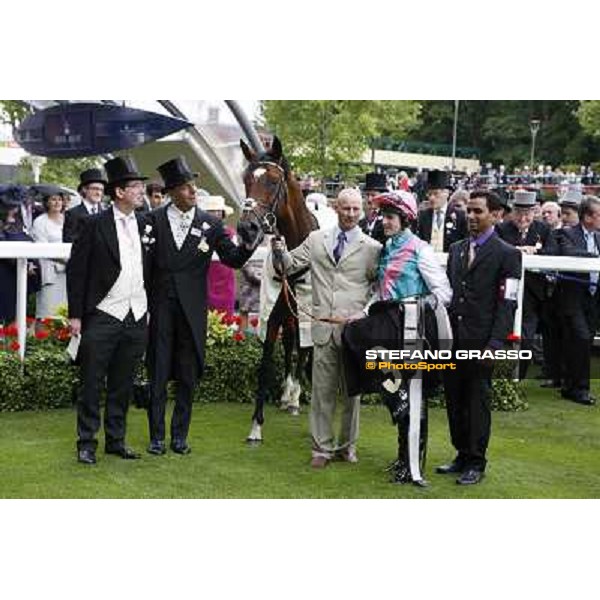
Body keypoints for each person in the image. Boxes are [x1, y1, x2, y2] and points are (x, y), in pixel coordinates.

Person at [145, 156, 262, 456]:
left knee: (187, 374)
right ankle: (156, 437)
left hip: (192, 311)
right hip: (160, 308)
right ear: (171, 192)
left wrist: (248, 243)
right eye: (185, 187)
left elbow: (233, 259)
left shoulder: (211, 225)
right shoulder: (152, 221)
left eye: (193, 186)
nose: (192, 191)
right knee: (157, 372)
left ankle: (179, 437)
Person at [342, 190, 452, 485]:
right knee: (353, 333)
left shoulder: (420, 249)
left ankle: (411, 465)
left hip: (411, 328)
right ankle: (396, 406)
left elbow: (443, 293)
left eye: (390, 217)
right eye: (383, 217)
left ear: (405, 220)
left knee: (414, 399)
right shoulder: (387, 248)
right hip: (386, 323)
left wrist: (412, 305)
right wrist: (363, 312)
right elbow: (380, 292)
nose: (385, 222)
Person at [273, 187, 381, 468]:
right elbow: (289, 264)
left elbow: (378, 289)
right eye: (346, 208)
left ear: (362, 210)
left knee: (351, 394)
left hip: (354, 332)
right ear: (336, 207)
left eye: (356, 209)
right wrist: (279, 250)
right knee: (321, 393)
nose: (351, 214)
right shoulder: (316, 239)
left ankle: (347, 446)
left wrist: (364, 312)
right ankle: (321, 448)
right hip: (322, 327)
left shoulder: (372, 248)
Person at [67, 156, 150, 465]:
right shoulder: (93, 224)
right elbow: (77, 272)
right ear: (119, 192)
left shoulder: (145, 222)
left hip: (136, 313)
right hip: (103, 313)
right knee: (91, 381)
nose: (141, 191)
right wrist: (76, 315)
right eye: (136, 186)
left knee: (122, 383)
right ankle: (86, 442)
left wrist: (147, 307)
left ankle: (116, 440)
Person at [439, 190, 521, 485]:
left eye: (478, 212)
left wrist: (495, 344)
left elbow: (507, 303)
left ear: (496, 215)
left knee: (477, 401)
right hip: (453, 340)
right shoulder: (458, 249)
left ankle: (476, 460)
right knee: (454, 399)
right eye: (468, 211)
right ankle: (461, 453)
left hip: (482, 342)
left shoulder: (508, 255)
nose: (471, 217)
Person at [554, 196, 600, 406]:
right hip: (573, 298)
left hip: (593, 299)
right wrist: (594, 256)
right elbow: (568, 254)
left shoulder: (599, 236)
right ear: (588, 217)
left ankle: (569, 386)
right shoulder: (567, 233)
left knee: (583, 342)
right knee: (580, 338)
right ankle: (581, 389)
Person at [0, 185, 40, 324]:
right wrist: (26, 265)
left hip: (10, 280)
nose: (15, 211)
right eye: (12, 208)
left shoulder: (9, 225)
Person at [31, 185, 68, 318]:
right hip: (50, 272)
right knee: (47, 312)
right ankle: (42, 339)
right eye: (53, 199)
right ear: (46, 202)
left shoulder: (68, 219)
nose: (57, 202)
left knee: (66, 311)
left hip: (69, 272)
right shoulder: (40, 222)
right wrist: (64, 260)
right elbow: (42, 248)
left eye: (59, 199)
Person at [199, 195, 237, 315]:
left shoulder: (230, 233)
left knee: (225, 316)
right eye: (211, 211)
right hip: (206, 277)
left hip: (225, 279)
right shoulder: (199, 232)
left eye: (218, 211)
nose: (215, 213)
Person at [417, 170, 468, 252]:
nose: (431, 198)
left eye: (436, 194)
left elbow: (464, 243)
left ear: (446, 193)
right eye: (429, 194)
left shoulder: (459, 216)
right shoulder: (423, 215)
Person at [63, 168, 107, 243]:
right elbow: (69, 240)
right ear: (84, 189)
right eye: (95, 189)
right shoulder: (72, 214)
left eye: (101, 190)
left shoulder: (106, 213)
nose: (99, 193)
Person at [358, 172, 387, 244]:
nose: (370, 199)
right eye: (367, 195)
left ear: (382, 196)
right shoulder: (360, 217)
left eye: (373, 195)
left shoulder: (387, 217)